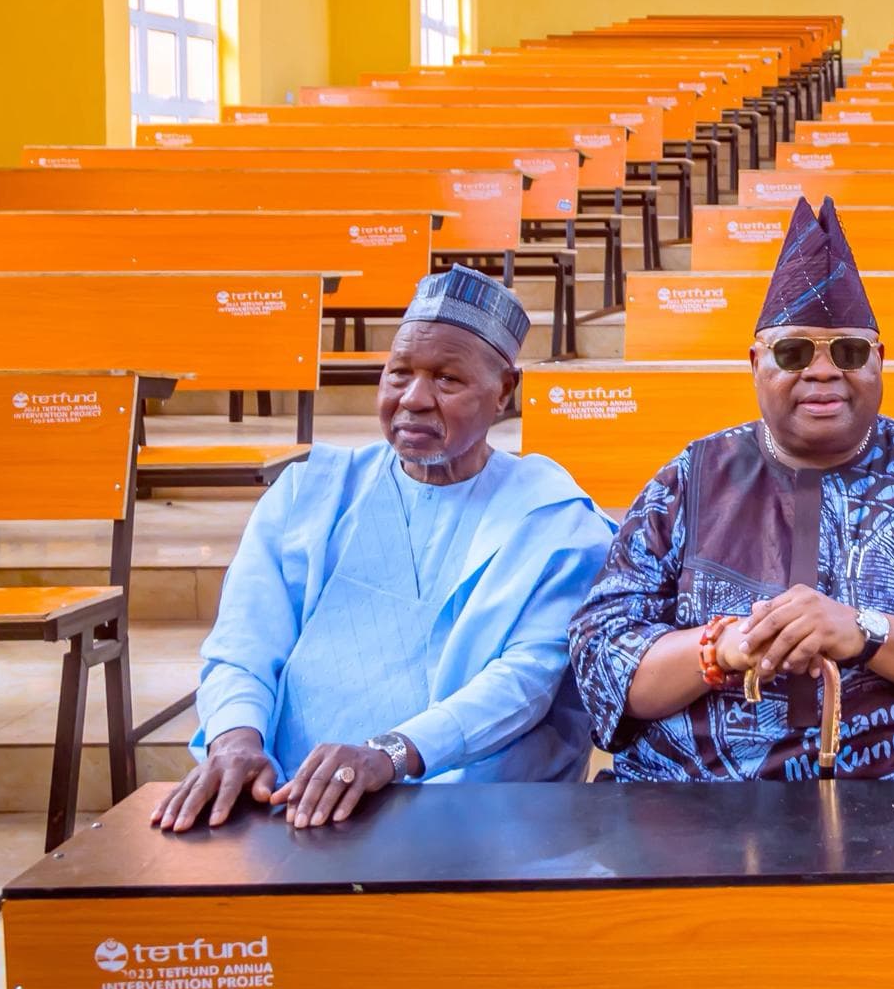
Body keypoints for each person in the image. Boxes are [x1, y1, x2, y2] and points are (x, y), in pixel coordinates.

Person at [570, 197, 894, 780]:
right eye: (793, 353)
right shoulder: (688, 481)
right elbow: (602, 656)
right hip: (701, 802)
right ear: (755, 363)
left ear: (879, 360)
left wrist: (864, 631)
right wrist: (725, 647)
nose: (823, 371)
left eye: (849, 351)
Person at [153, 268, 613, 833]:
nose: (413, 399)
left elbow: (525, 682)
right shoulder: (310, 495)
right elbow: (243, 645)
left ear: (504, 392)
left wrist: (390, 754)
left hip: (469, 816)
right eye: (399, 373)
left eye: (447, 379)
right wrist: (235, 740)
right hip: (287, 799)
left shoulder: (556, 522)